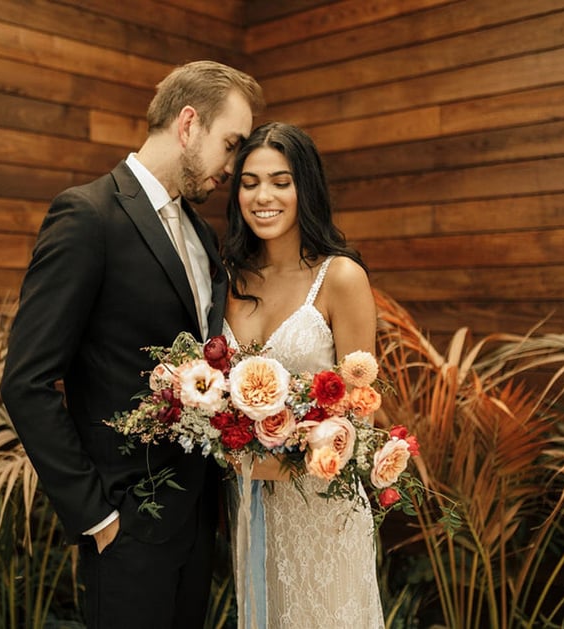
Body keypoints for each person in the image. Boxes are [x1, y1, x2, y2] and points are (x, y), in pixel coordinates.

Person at [0, 61, 264, 629]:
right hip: (124, 527)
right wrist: (96, 517)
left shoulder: (202, 234)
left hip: (198, 520)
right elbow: (27, 381)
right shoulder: (87, 216)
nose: (232, 166)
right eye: (231, 143)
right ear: (188, 123)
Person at [222, 122, 385, 628]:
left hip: (322, 510)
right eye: (249, 183)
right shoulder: (229, 279)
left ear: (305, 187)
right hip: (249, 507)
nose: (263, 196)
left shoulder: (340, 277)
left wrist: (291, 463)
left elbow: (363, 415)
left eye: (280, 181)